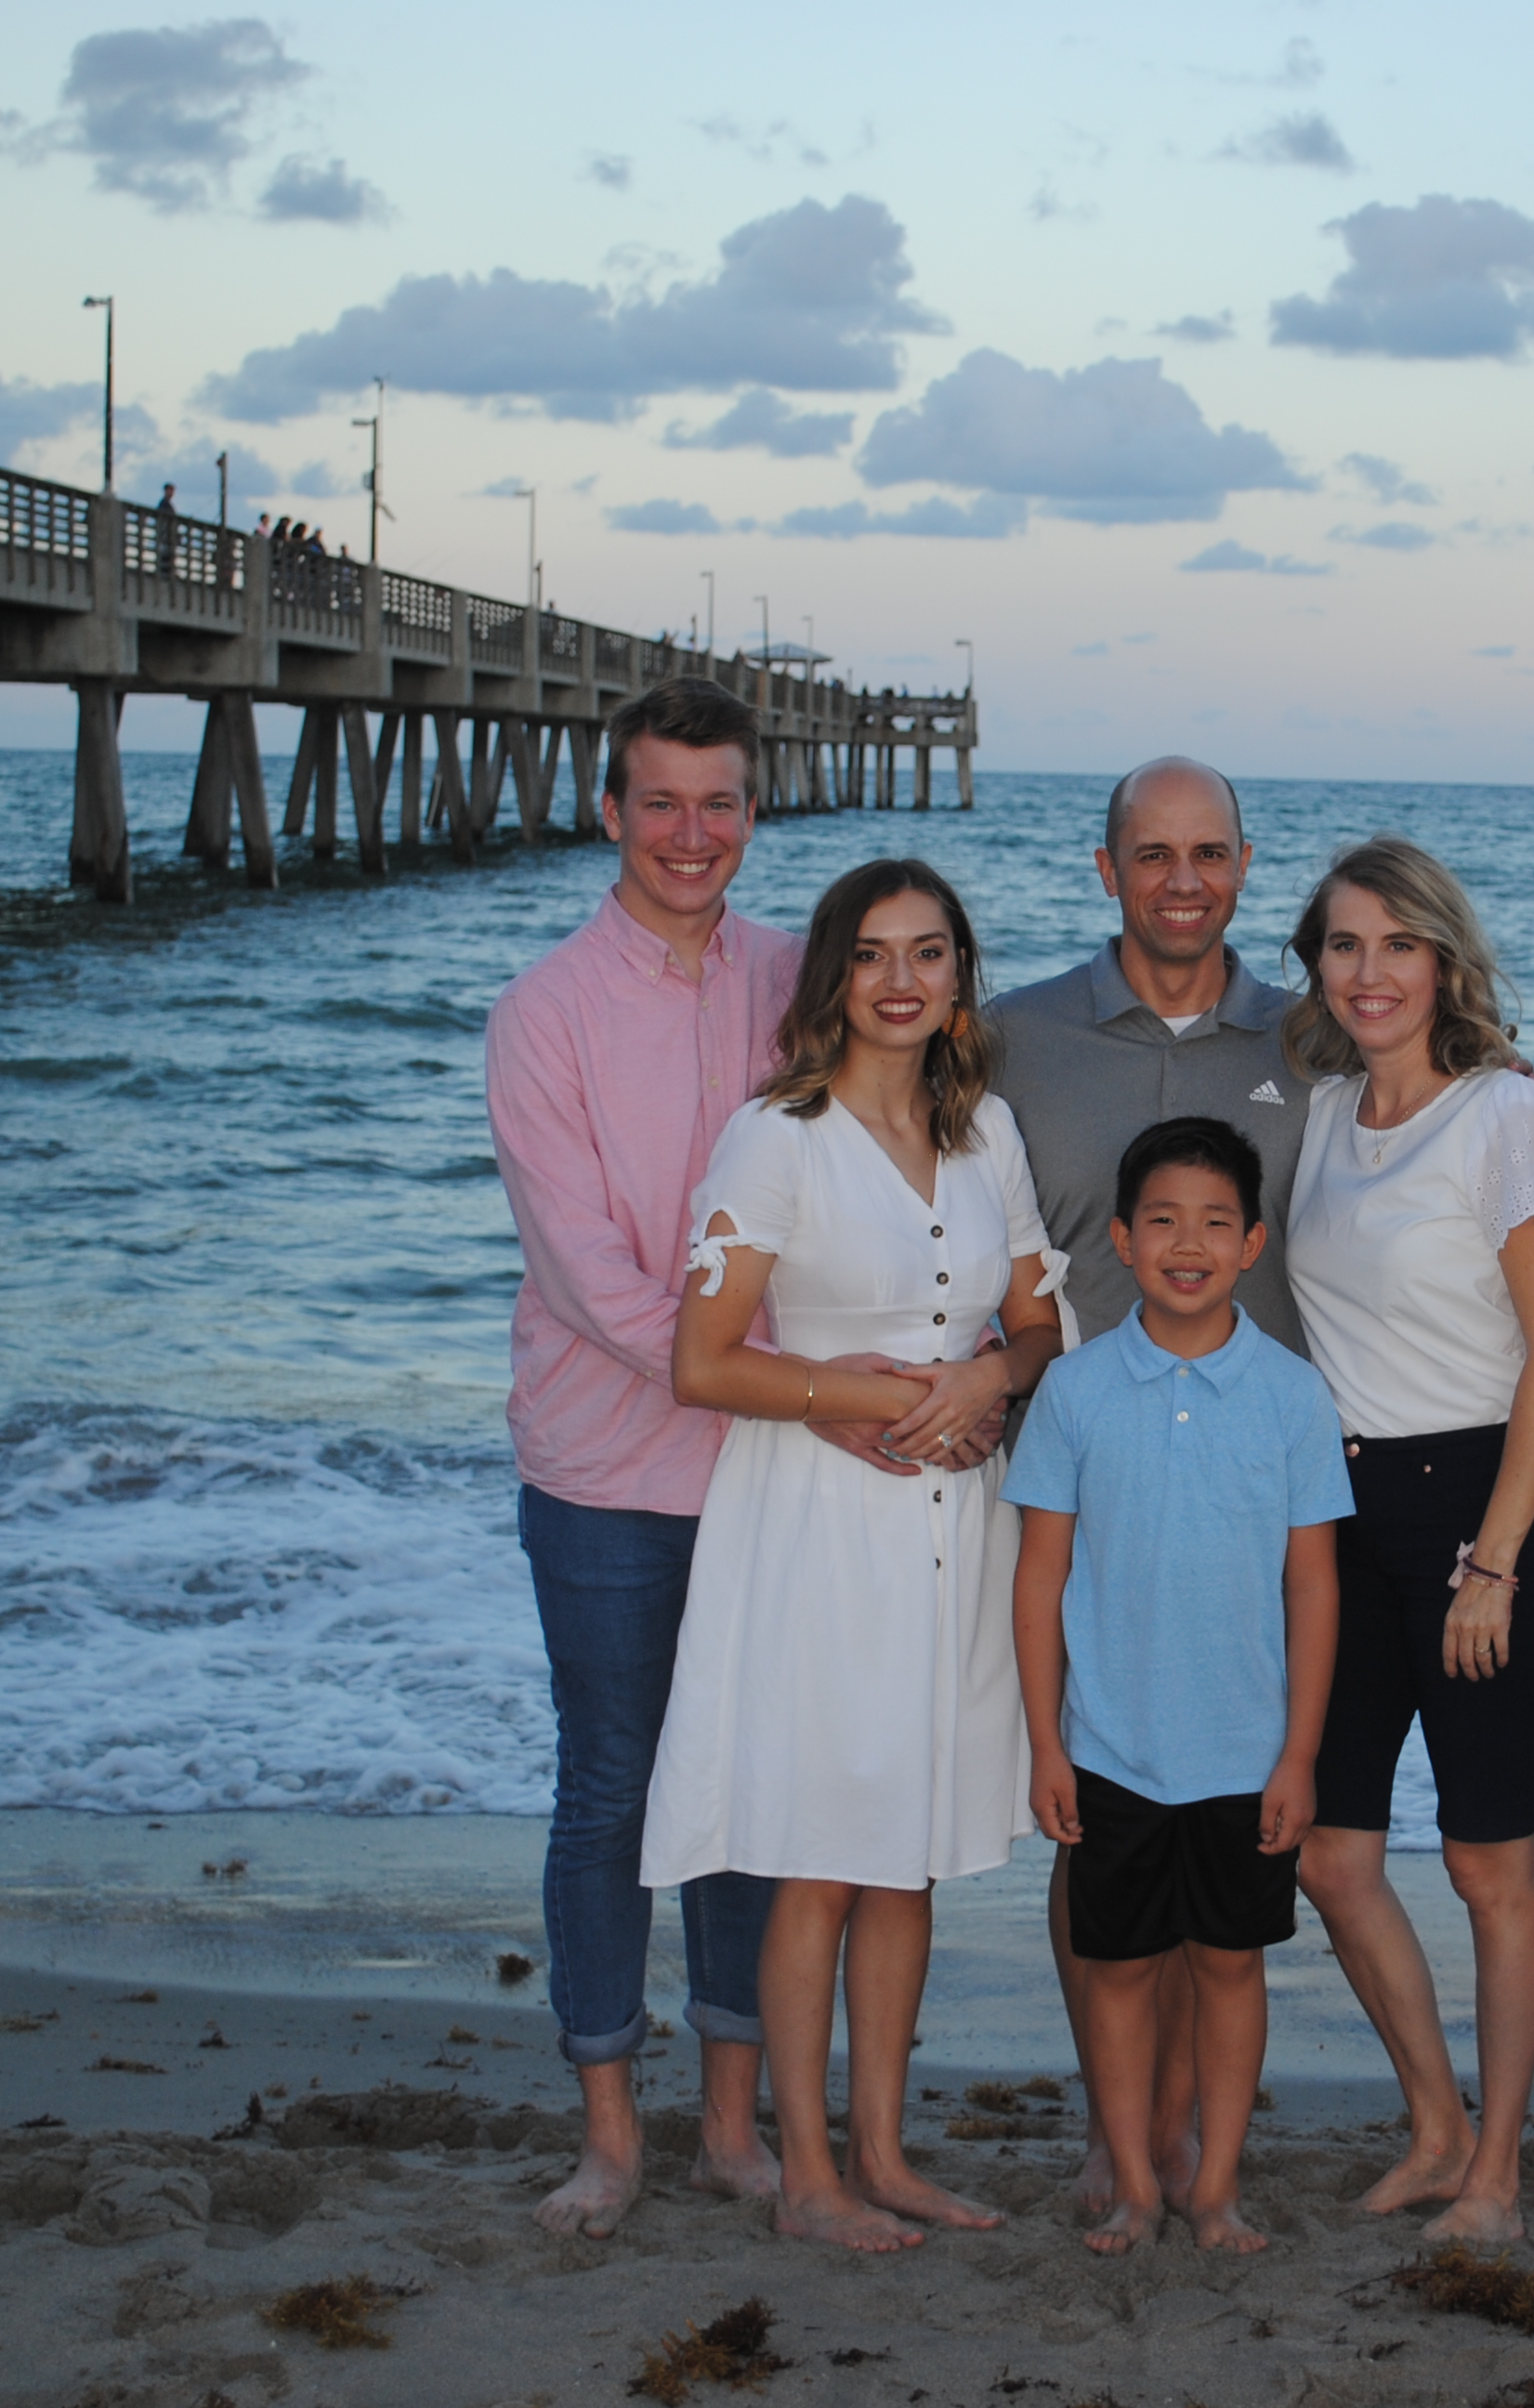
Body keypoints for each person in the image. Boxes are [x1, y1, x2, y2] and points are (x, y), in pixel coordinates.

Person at [647, 856, 1066, 2253]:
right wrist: (877, 1399)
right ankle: (808, 2177)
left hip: (956, 1522)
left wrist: (989, 1380)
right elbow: (701, 1362)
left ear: (958, 977)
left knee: (907, 1858)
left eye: (929, 954)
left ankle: (886, 2156)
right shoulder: (777, 1135)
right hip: (822, 1528)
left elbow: (1038, 1323)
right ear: (835, 978)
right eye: (875, 954)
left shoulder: (985, 1128)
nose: (903, 980)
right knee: (820, 1854)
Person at [482, 677, 799, 2238]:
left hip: (770, 1472)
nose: (692, 833)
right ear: (609, 811)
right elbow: (592, 1273)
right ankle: (610, 2128)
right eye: (660, 802)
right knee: (610, 1792)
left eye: (720, 800)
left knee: (739, 1795)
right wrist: (776, 1376)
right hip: (605, 1472)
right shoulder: (543, 1011)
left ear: (755, 810)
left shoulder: (803, 981)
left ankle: (731, 2126)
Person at [989, 753, 1313, 2212]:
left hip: (1256, 1479)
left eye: (1213, 853)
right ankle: (1129, 2141)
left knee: (1225, 1852)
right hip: (1079, 1470)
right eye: (1154, 852)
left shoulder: (1315, 1036)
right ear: (1105, 865)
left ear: (1247, 865)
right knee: (1108, 1825)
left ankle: (1192, 2139)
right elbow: (930, 1214)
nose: (1185, 879)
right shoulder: (1010, 1037)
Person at [1282, 835, 1534, 2244]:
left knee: (1487, 1860)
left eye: (1397, 944)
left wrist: (1496, 1560)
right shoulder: (1329, 1112)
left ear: (1444, 960)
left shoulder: (1506, 1117)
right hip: (1349, 1519)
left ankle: (1503, 2174)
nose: (1370, 972)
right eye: (1345, 945)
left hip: (1490, 1507)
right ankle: (1435, 2127)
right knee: (1331, 1854)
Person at [1008, 1117, 1348, 2257]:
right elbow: (1041, 1576)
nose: (1187, 1243)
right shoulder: (1075, 1390)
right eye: (1161, 1221)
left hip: (1245, 1753)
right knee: (1116, 1971)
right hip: (1109, 1749)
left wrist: (1299, 1754)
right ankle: (1135, 2191)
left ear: (1254, 1243)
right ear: (1119, 1239)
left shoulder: (1294, 1396)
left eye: (1214, 1222)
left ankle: (1214, 2192)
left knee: (1228, 1967)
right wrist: (1046, 1746)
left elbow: (1312, 1586)